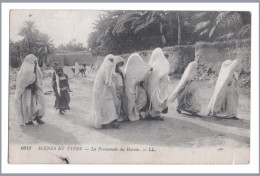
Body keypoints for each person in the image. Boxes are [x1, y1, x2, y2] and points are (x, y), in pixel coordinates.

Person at [91, 54, 122, 129]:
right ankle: (107, 122)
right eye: (110, 60)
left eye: (112, 60)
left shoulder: (107, 69)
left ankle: (111, 121)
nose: (111, 62)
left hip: (106, 92)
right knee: (107, 106)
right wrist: (114, 91)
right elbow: (108, 83)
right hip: (102, 93)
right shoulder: (105, 70)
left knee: (110, 106)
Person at [14, 54, 45, 126]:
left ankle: (37, 117)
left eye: (35, 62)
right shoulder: (24, 72)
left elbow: (39, 79)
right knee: (28, 105)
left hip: (35, 90)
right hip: (26, 91)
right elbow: (23, 83)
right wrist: (30, 86)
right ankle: (28, 120)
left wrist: (36, 87)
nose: (35, 63)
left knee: (39, 103)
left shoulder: (36, 70)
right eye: (34, 62)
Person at [124, 53, 153, 121]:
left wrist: (148, 71)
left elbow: (140, 75)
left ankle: (136, 111)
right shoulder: (130, 69)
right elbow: (139, 78)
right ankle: (134, 112)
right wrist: (148, 71)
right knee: (137, 101)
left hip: (136, 88)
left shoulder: (133, 67)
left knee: (142, 100)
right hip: (132, 89)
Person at [145, 48, 170, 120]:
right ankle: (155, 115)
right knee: (156, 100)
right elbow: (163, 74)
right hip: (156, 86)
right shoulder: (160, 65)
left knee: (153, 100)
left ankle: (153, 113)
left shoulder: (151, 65)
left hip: (152, 86)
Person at [113, 56, 128, 122]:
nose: (119, 65)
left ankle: (121, 115)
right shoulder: (112, 72)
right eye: (118, 63)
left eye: (120, 64)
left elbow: (124, 78)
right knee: (117, 102)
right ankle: (116, 116)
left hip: (122, 87)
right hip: (116, 88)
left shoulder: (121, 71)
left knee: (122, 102)